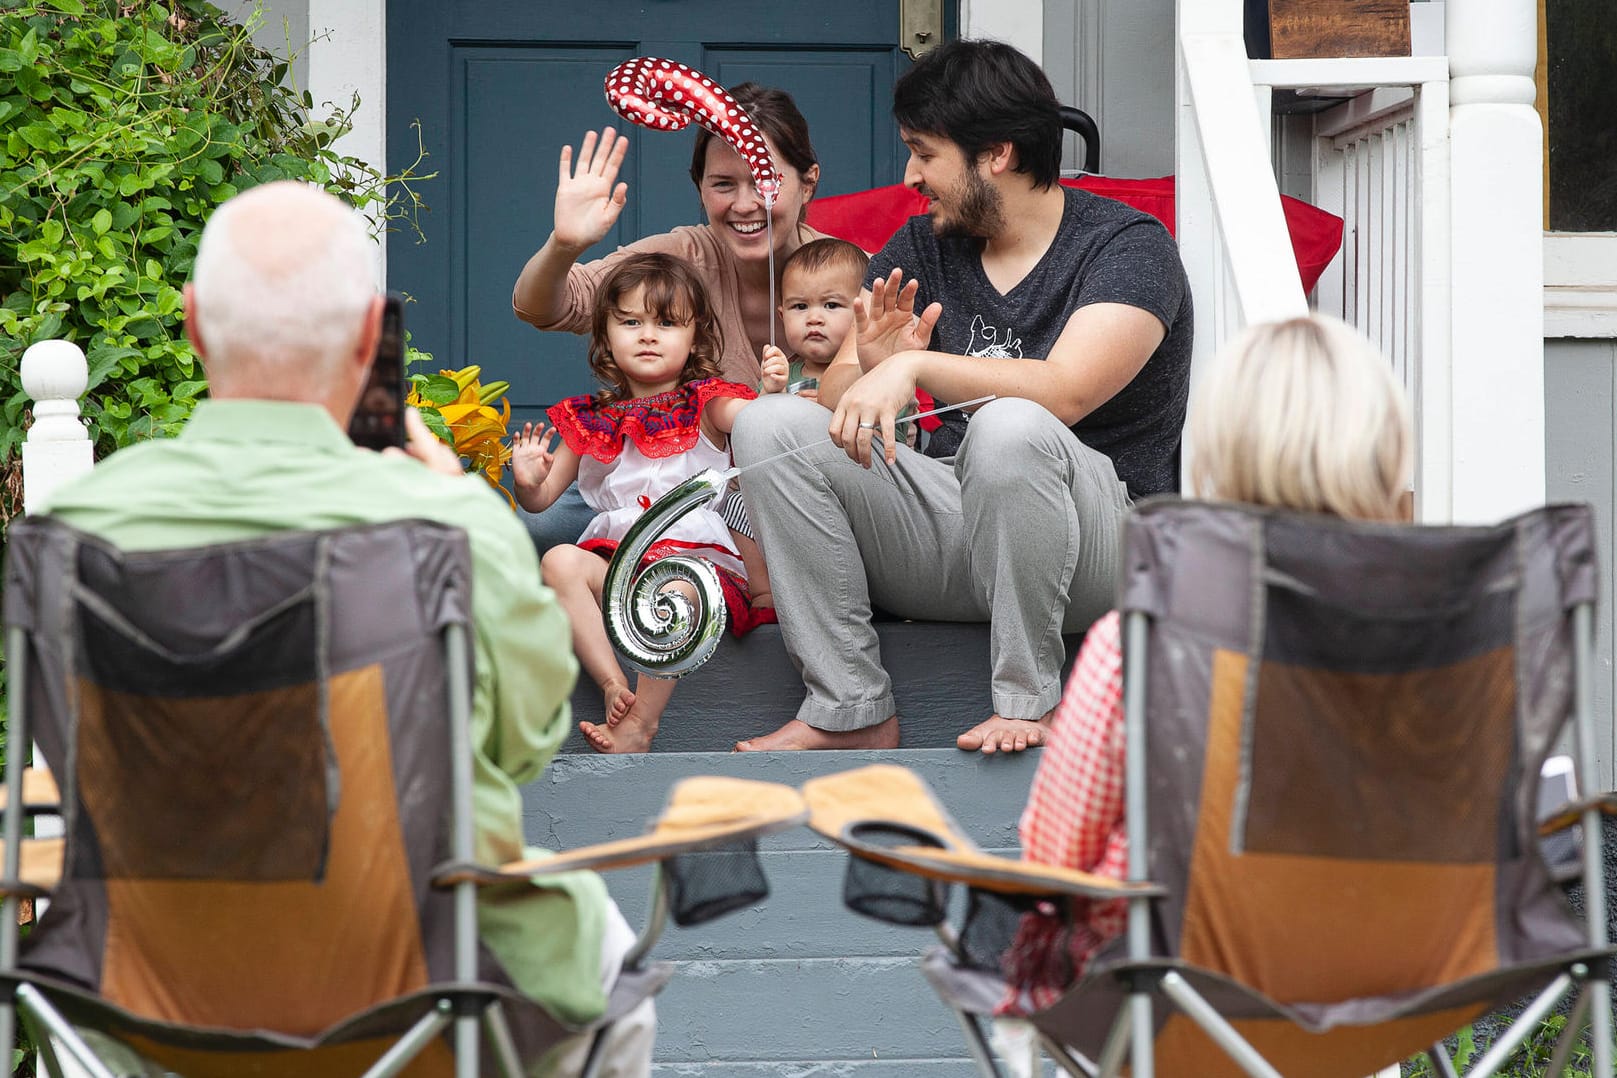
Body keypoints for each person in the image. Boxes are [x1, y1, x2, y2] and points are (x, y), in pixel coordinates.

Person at [40, 182, 653, 1075]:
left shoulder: (72, 531)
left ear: (193, 323)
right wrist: (456, 507)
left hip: (139, 1006)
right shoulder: (444, 525)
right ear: (372, 339)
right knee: (606, 962)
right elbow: (523, 747)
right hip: (413, 1004)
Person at [731, 39, 1193, 754]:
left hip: (1097, 552)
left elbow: (1064, 393)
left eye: (924, 152)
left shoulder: (1126, 247)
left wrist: (918, 370)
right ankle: (848, 707)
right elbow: (838, 401)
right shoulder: (921, 248)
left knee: (1010, 427)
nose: (911, 174)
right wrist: (871, 366)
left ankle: (1029, 703)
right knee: (769, 425)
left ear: (996, 154)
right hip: (956, 535)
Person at [1005, 313, 1414, 1011]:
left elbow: (1057, 862)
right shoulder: (1440, 639)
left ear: (1216, 457)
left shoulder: (1144, 642)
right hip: (1395, 987)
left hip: (1178, 1003)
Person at [512, 83, 829, 571]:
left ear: (808, 182)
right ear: (699, 187)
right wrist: (563, 244)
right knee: (535, 527)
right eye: (723, 184)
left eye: (765, 184)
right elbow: (546, 306)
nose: (745, 205)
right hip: (661, 485)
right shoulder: (680, 255)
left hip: (788, 498)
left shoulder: (848, 274)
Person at [513, 253, 787, 753]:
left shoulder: (709, 401)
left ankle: (642, 720)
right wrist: (529, 482)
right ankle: (613, 683)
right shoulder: (591, 419)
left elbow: (757, 422)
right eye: (630, 322)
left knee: (677, 585)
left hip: (693, 565)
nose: (647, 334)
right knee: (558, 561)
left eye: (666, 323)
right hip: (618, 562)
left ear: (695, 337)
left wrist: (770, 394)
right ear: (605, 335)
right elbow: (541, 501)